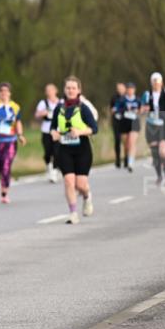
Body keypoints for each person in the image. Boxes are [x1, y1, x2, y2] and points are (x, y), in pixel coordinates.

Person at [50, 76, 98, 224]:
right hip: (64, 149)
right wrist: (54, 134)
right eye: (68, 88)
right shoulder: (59, 108)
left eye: (73, 88)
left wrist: (80, 132)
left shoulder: (84, 108)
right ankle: (73, 213)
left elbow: (94, 129)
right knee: (69, 181)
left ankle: (87, 196)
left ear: (79, 90)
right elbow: (52, 127)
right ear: (64, 90)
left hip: (82, 149)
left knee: (80, 185)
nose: (70, 90)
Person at [142, 72, 165, 186]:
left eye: (157, 82)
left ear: (161, 82)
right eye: (154, 82)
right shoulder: (147, 94)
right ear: (151, 83)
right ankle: (159, 175)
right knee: (155, 153)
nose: (156, 84)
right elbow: (142, 109)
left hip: (163, 124)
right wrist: (145, 109)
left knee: (164, 151)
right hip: (151, 125)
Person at [34, 83, 61, 182]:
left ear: (55, 91)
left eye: (51, 90)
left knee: (57, 151)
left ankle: (54, 171)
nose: (49, 92)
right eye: (47, 90)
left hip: (58, 130)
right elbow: (36, 114)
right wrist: (43, 112)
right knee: (47, 152)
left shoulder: (61, 102)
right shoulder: (43, 103)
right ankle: (49, 166)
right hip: (46, 130)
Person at [115, 81, 141, 172]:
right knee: (126, 144)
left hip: (134, 123)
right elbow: (116, 109)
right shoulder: (122, 100)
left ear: (134, 90)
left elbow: (141, 109)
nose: (130, 91)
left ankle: (131, 162)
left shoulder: (137, 100)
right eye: (128, 89)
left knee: (132, 142)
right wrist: (119, 112)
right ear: (126, 90)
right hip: (124, 123)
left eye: (132, 89)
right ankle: (126, 157)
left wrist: (139, 111)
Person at [108, 82, 126, 169]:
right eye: (118, 88)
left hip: (125, 122)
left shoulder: (127, 97)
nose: (120, 90)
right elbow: (111, 109)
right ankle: (118, 160)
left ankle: (126, 159)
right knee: (117, 141)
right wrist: (114, 111)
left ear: (124, 88)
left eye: (121, 88)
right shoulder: (114, 98)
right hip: (116, 122)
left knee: (126, 141)